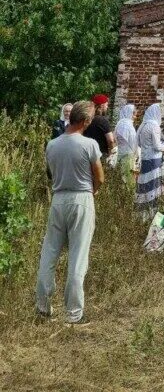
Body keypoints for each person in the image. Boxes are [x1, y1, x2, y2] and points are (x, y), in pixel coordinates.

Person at [36, 100, 104, 324]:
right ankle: (74, 312)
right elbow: (99, 177)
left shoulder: (52, 144)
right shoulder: (89, 144)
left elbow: (50, 172)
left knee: (49, 252)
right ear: (85, 121)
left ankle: (43, 305)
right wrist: (92, 191)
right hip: (81, 197)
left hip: (58, 198)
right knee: (78, 256)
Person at [135, 103, 164, 215]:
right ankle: (151, 211)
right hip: (154, 159)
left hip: (145, 158)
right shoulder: (154, 126)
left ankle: (141, 211)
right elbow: (157, 146)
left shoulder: (144, 125)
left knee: (144, 183)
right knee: (153, 184)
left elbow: (138, 142)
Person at [114, 104, 139, 186]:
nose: (135, 117)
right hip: (128, 155)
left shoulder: (120, 123)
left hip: (121, 153)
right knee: (128, 181)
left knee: (120, 179)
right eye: (134, 114)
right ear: (129, 113)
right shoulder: (127, 125)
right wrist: (136, 153)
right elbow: (133, 142)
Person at [84, 94, 115, 159]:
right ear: (102, 105)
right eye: (106, 105)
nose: (107, 107)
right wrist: (111, 153)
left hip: (86, 152)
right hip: (100, 154)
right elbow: (111, 140)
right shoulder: (102, 120)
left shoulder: (86, 118)